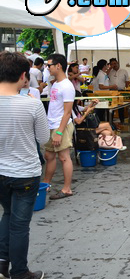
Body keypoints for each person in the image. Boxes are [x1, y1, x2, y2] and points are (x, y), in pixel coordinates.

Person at [0, 52, 48, 279]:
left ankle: (1, 266)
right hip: (25, 173)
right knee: (19, 224)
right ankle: (19, 274)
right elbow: (44, 138)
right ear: (22, 76)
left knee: (7, 215)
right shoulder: (31, 103)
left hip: (0, 172)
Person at [42, 54, 76, 200]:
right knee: (49, 155)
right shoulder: (55, 83)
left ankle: (67, 189)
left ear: (58, 66)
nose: (47, 68)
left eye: (49, 65)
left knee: (64, 157)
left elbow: (68, 112)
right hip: (52, 124)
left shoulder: (67, 86)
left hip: (61, 126)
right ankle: (46, 184)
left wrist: (59, 132)